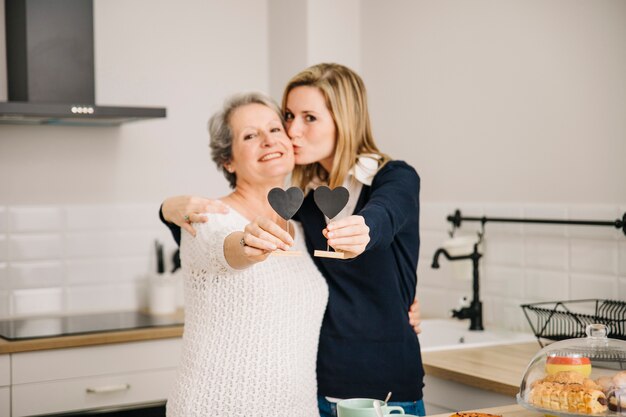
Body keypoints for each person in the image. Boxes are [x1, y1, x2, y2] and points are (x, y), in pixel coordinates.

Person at [162, 63, 425, 416]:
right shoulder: (300, 209)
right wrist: (167, 209)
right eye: (288, 116)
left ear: (344, 120)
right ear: (227, 159)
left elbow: (386, 213)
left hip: (383, 392)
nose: (289, 131)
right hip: (318, 389)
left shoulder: (391, 179)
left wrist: (366, 231)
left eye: (308, 118)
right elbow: (218, 245)